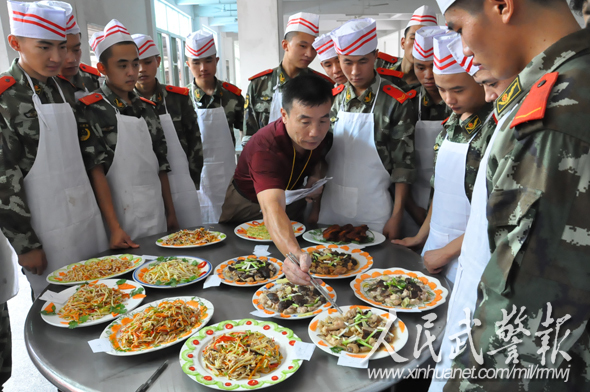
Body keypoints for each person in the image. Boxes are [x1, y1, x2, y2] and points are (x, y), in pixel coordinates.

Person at [433, 0, 590, 390]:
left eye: (457, 28)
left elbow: (524, 317)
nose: (464, 49)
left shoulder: (555, 115)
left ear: (502, 6)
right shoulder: (564, 84)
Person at [0, 1, 108, 298]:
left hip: (86, 218)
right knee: (58, 304)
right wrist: (26, 244)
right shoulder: (6, 100)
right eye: (44, 47)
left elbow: (89, 157)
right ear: (15, 43)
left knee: (102, 296)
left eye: (62, 46)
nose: (57, 57)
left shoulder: (65, 89)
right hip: (45, 231)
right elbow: (4, 181)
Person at [394, 33, 493, 285]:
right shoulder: (450, 126)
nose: (449, 99)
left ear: (480, 81)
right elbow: (439, 192)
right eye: (441, 89)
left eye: (458, 90)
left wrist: (447, 252)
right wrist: (420, 237)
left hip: (471, 253)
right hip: (435, 247)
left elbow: (494, 214)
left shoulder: (493, 132)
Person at [77, 19, 177, 247]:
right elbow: (96, 171)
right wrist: (114, 227)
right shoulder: (92, 109)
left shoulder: (147, 109)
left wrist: (170, 212)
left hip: (155, 210)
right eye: (122, 66)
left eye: (135, 63)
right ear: (102, 68)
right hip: (120, 217)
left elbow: (162, 164)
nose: (133, 72)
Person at [316, 18, 416, 239]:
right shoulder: (332, 99)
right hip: (331, 208)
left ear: (375, 57)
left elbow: (403, 166)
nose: (354, 71)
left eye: (362, 61)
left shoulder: (395, 102)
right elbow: (321, 152)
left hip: (374, 212)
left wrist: (397, 216)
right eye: (347, 62)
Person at [226, 74, 333, 278]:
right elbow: (272, 208)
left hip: (291, 202)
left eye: (323, 120)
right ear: (284, 115)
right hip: (248, 207)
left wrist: (316, 176)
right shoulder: (264, 148)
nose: (315, 132)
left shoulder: (323, 135)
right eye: (305, 122)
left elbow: (321, 159)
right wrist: (295, 254)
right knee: (247, 270)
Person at [133, 33, 203, 229]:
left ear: (157, 61)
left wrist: (192, 182)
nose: (141, 69)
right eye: (135, 64)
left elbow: (194, 142)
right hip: (146, 187)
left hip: (182, 183)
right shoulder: (128, 103)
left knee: (191, 237)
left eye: (147, 62)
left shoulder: (177, 98)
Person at [243, 12, 331, 142]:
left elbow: (328, 131)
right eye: (302, 46)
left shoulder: (322, 85)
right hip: (266, 156)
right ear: (285, 45)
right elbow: (249, 132)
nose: (309, 54)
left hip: (309, 158)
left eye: (314, 48)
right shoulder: (259, 85)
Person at [185, 30, 243, 224]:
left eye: (208, 60)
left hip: (227, 175)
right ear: (188, 64)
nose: (203, 67)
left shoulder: (232, 96)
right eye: (196, 62)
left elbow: (248, 135)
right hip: (194, 177)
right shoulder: (181, 99)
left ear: (216, 60)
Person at [402, 26, 452, 235]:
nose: (428, 75)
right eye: (420, 67)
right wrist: (413, 208)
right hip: (412, 202)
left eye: (434, 66)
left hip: (452, 204)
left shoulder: (463, 104)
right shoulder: (407, 102)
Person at [375, 5, 439, 91]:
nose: (419, 46)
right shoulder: (378, 65)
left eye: (428, 40)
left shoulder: (436, 82)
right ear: (403, 43)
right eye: (413, 39)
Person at [49, 1, 100, 103]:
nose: (72, 59)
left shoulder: (91, 78)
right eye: (63, 50)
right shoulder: (40, 81)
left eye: (76, 50)